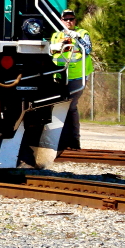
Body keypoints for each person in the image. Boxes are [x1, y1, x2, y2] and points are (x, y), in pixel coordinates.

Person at [49, 9, 93, 152]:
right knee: (58, 107)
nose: (69, 21)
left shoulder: (82, 33)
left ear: (75, 20)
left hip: (77, 76)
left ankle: (73, 141)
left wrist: (77, 39)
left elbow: (88, 49)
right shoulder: (56, 35)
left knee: (70, 106)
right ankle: (59, 142)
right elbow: (49, 52)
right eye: (66, 19)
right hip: (59, 76)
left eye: (71, 19)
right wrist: (52, 48)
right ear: (61, 20)